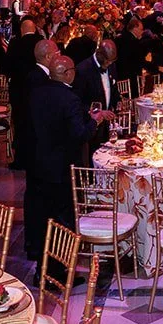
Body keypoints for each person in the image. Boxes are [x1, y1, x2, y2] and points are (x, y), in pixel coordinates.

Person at [26, 54, 113, 271]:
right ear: (66, 73)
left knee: (45, 218)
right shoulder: (69, 98)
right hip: (62, 168)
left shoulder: (37, 93)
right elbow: (79, 135)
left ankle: (44, 268)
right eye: (73, 69)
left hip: (40, 164)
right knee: (63, 221)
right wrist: (94, 122)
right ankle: (59, 272)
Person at [5, 19, 45, 170]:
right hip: (40, 89)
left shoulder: (15, 43)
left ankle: (20, 160)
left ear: (22, 30)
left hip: (19, 90)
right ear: (34, 29)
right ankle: (38, 158)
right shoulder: (41, 41)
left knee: (20, 124)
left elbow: (7, 66)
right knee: (38, 123)